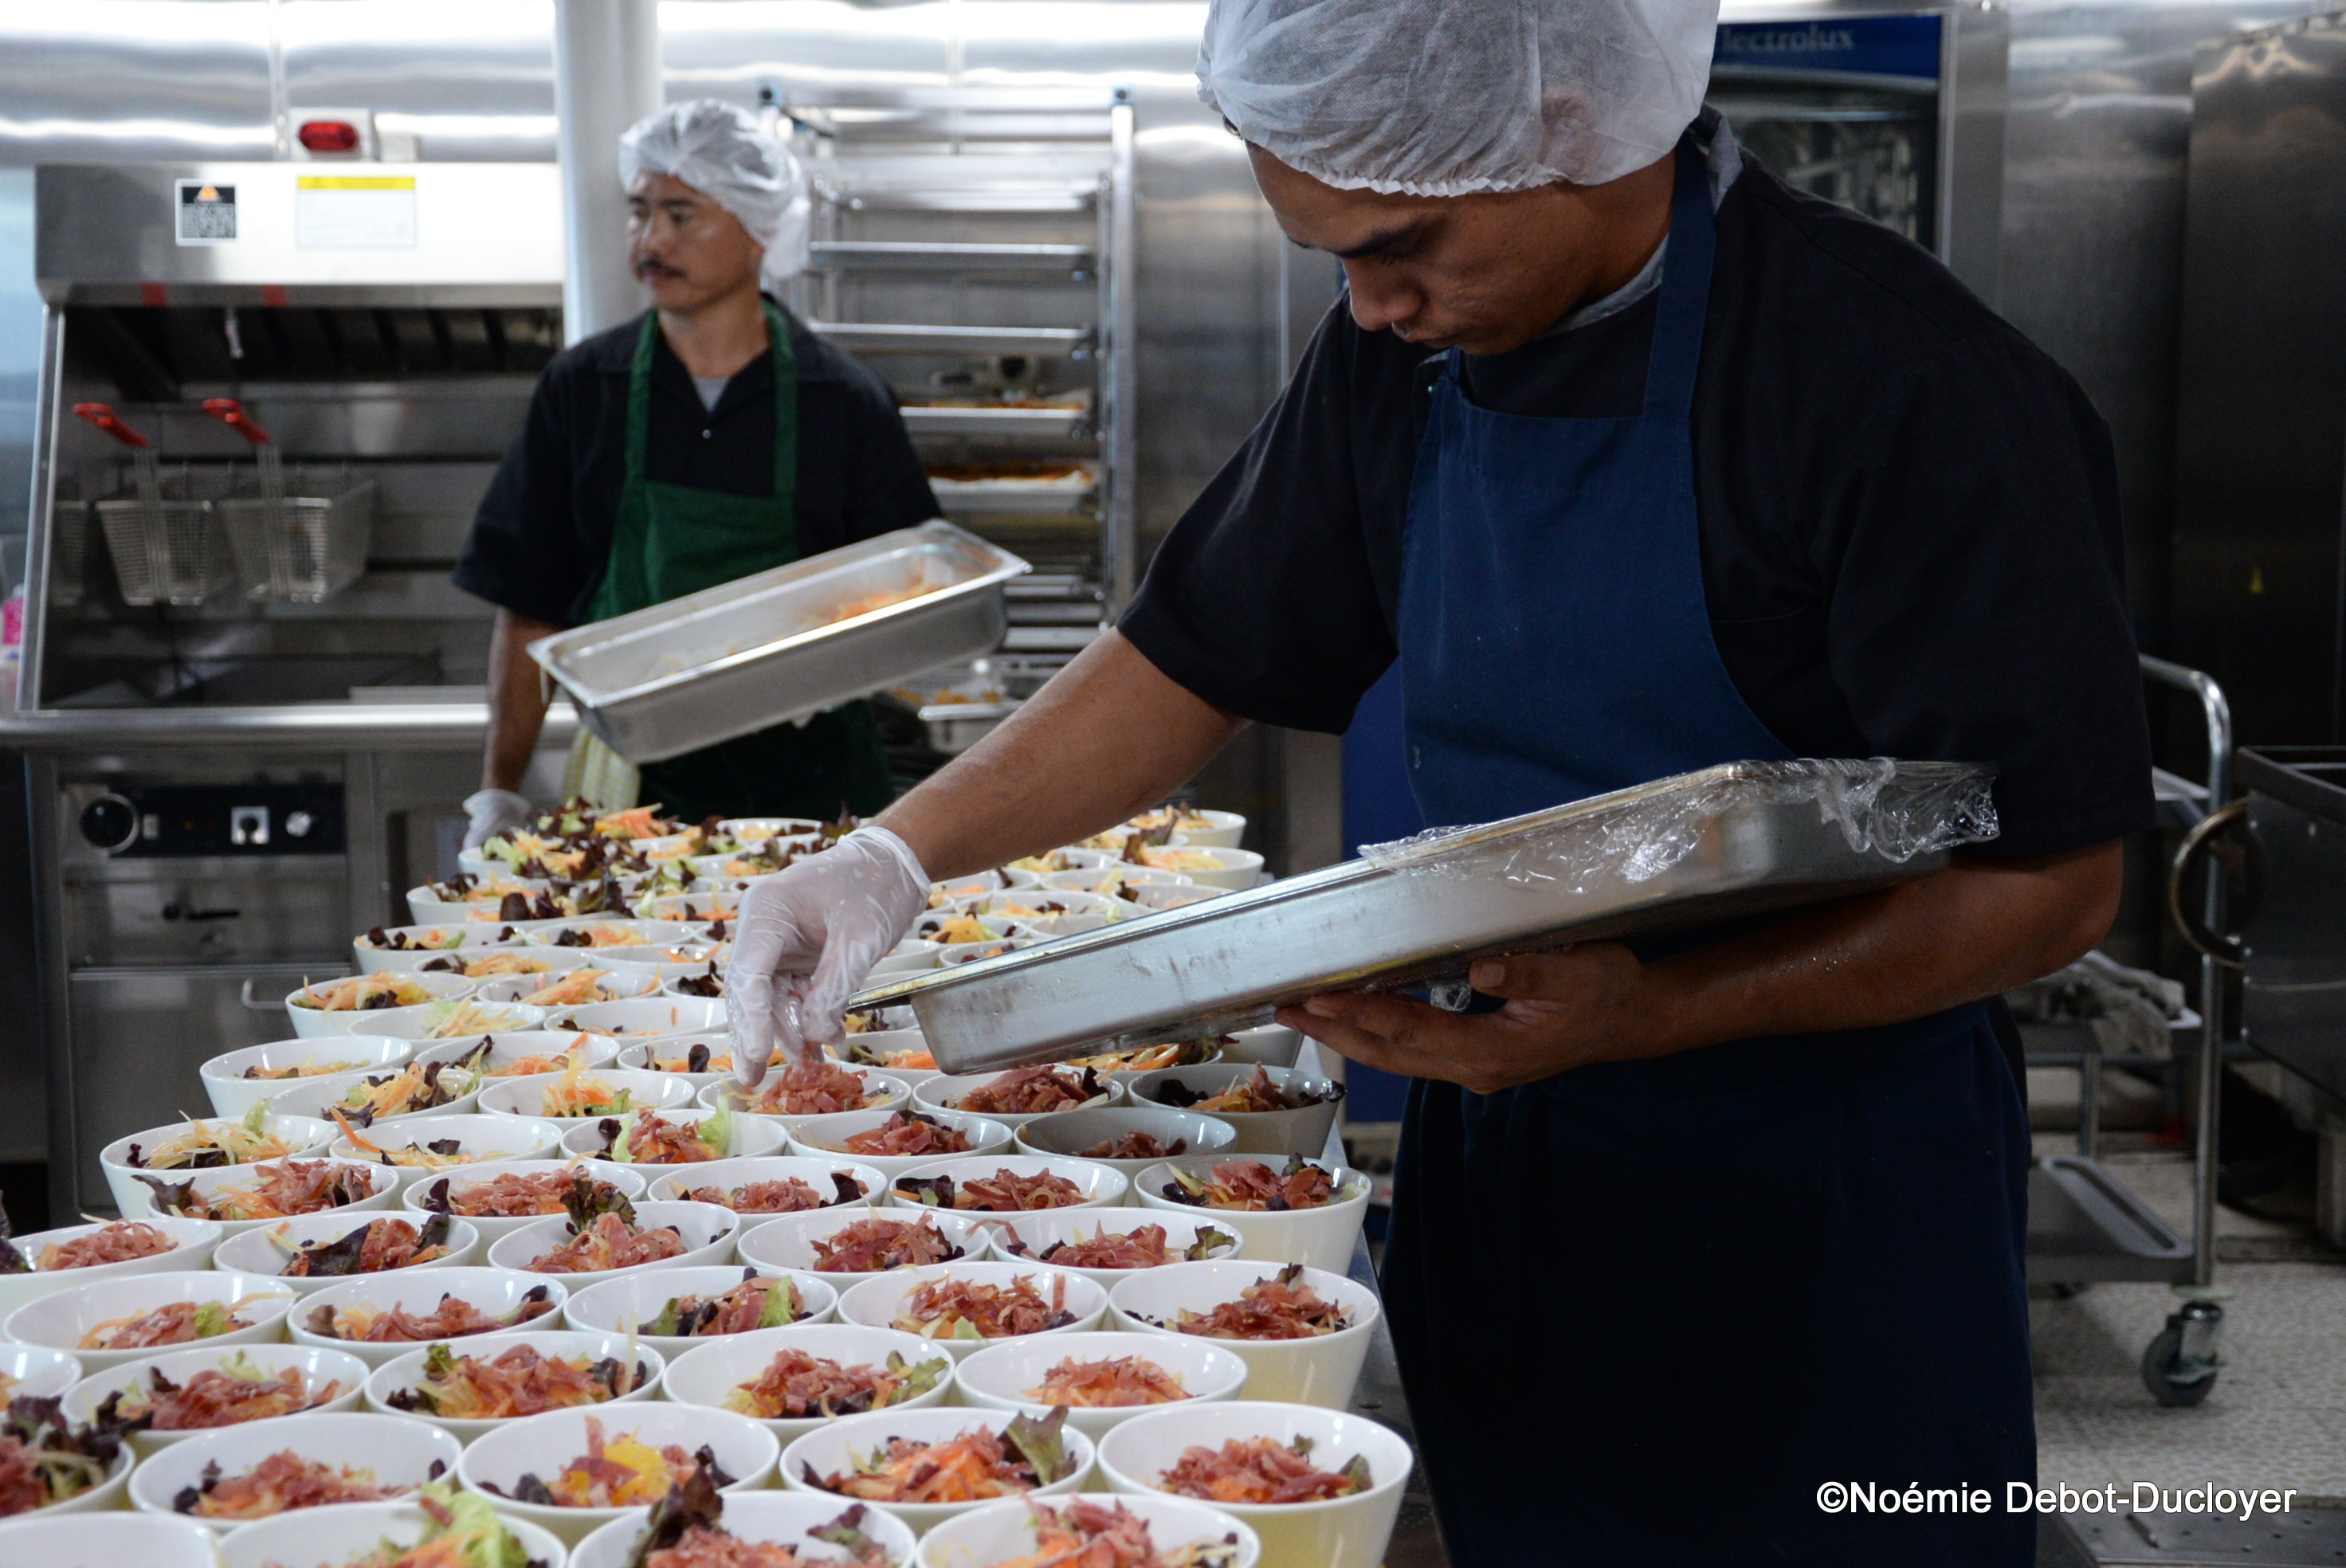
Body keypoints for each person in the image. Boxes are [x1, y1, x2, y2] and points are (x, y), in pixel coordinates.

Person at [721, 2, 2154, 1562]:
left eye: (1399, 245)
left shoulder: (1901, 384)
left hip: (1821, 1198)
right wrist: (890, 857)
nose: (1370, 303)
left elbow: (2049, 883)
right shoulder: (1398, 361)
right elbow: (1187, 653)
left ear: (1567, 124)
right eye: (1332, 257)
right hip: (1513, 1167)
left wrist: (1648, 1011)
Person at [453, 100, 937, 844]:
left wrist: (829, 670)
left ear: (758, 231)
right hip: (636, 796)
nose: (652, 239)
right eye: (640, 211)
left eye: (681, 214)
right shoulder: (584, 390)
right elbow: (529, 606)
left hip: (815, 790)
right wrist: (498, 791)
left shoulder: (840, 399)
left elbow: (908, 597)